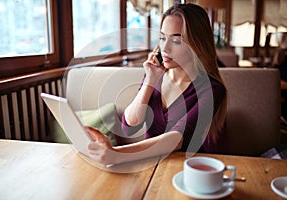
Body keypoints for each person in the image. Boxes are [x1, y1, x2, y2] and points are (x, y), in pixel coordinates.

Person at [87, 3, 227, 165]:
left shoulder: (213, 89)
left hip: (190, 168)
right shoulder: (156, 75)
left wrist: (117, 154)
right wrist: (150, 81)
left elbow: (177, 138)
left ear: (197, 44)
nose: (165, 48)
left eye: (175, 41)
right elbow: (129, 126)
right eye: (162, 38)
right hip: (151, 163)